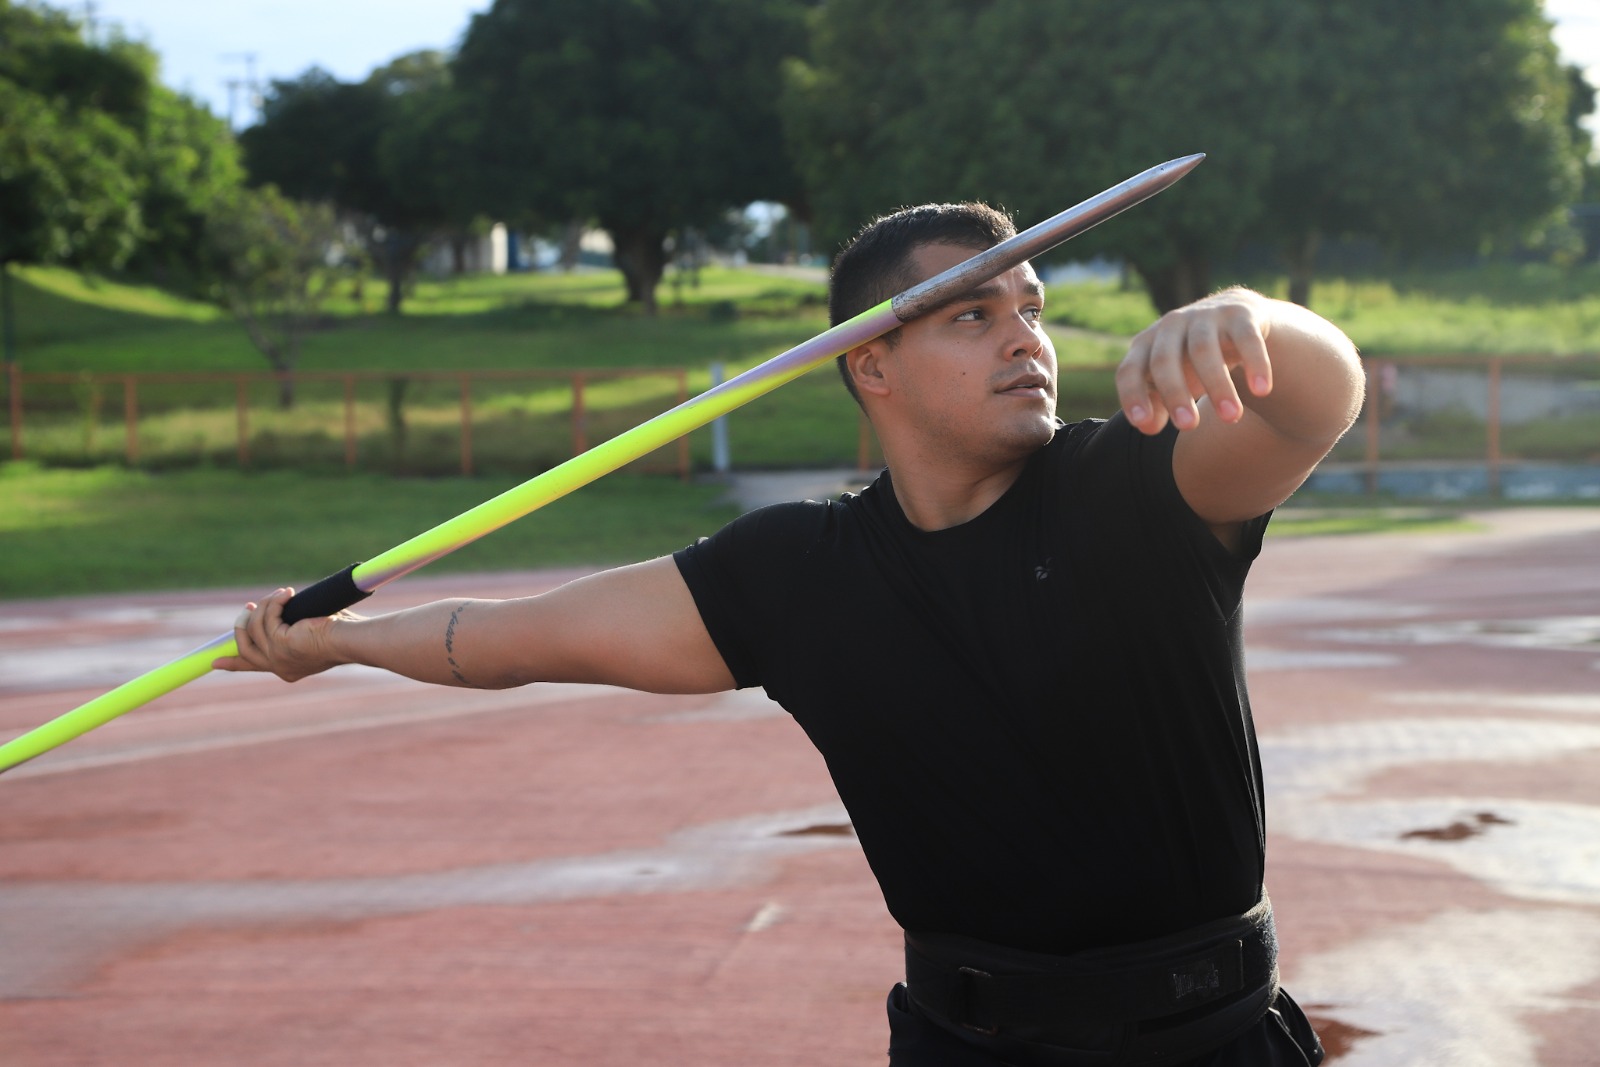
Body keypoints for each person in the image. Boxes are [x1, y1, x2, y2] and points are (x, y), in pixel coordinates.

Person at [217, 201, 1364, 1066]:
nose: (1025, 339)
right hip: (962, 1044)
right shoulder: (793, 573)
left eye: (1031, 310)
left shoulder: (1133, 489)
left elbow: (1315, 401)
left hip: (1204, 1039)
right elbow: (511, 637)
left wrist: (1252, 320)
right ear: (871, 363)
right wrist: (335, 643)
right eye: (974, 314)